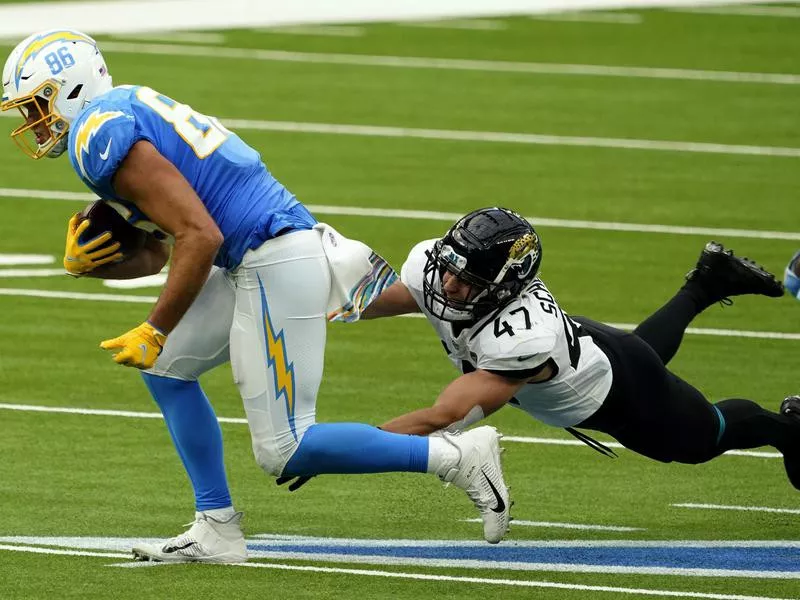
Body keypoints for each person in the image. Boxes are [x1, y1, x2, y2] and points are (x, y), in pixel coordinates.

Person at [0, 29, 512, 562]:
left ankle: (456, 456)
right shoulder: (118, 112)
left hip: (272, 257)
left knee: (286, 449)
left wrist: (155, 327)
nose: (32, 121)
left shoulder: (96, 132)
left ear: (69, 87)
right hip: (258, 251)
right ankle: (215, 526)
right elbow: (162, 251)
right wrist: (97, 265)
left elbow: (201, 237)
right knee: (166, 371)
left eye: (36, 104)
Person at [351, 207, 800, 492]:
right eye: (449, 267)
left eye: (467, 281)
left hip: (616, 393)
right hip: (597, 351)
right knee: (642, 355)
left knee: (702, 440)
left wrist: (347, 449)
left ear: (506, 287)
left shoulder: (520, 340)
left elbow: (442, 417)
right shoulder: (447, 269)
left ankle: (786, 428)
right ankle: (707, 283)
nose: (448, 284)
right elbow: (374, 300)